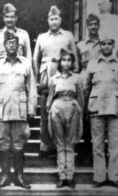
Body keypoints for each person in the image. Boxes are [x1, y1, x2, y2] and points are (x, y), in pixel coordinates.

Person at [0, 31, 37, 189]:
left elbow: (32, 88)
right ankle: (5, 176)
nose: (12, 45)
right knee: (3, 144)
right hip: (1, 109)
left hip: (19, 109)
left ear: (18, 45)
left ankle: (19, 176)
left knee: (18, 145)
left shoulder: (25, 63)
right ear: (4, 45)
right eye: (8, 43)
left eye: (15, 42)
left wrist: (31, 108)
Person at [33, 5, 77, 158]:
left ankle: (63, 146)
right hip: (46, 76)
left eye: (56, 18)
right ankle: (45, 146)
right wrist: (37, 79)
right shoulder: (42, 37)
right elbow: (35, 59)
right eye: (51, 19)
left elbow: (74, 59)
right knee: (46, 111)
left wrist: (74, 76)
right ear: (47, 20)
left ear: (61, 19)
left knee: (62, 111)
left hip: (63, 75)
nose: (53, 22)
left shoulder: (68, 36)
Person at [85, 33, 118, 189]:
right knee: (97, 145)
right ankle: (100, 177)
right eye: (103, 44)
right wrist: (86, 109)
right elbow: (86, 87)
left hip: (115, 108)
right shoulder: (92, 64)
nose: (106, 46)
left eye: (109, 43)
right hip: (96, 107)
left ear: (113, 45)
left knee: (116, 145)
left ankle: (115, 177)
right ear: (99, 46)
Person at [47, 48, 84, 188]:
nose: (66, 63)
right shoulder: (54, 79)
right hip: (57, 108)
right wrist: (49, 109)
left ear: (72, 62)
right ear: (60, 62)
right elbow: (50, 97)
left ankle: (70, 176)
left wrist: (79, 111)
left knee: (70, 143)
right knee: (60, 143)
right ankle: (62, 176)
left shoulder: (77, 78)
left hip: (72, 108)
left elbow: (81, 97)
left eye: (69, 60)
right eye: (64, 60)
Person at [76, 13, 101, 157]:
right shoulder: (81, 45)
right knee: (84, 113)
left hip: (98, 81)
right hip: (85, 80)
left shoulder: (104, 43)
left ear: (99, 25)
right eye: (91, 24)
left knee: (96, 114)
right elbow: (77, 66)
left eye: (95, 24)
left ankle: (96, 148)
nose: (93, 27)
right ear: (87, 26)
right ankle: (84, 147)